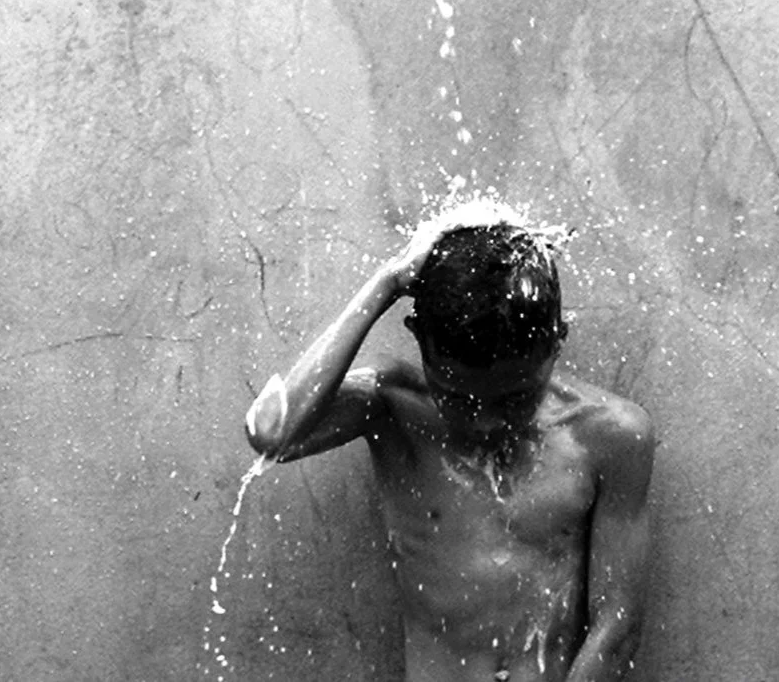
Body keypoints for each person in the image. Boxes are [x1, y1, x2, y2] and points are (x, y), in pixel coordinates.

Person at [244, 206, 655, 682]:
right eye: (457, 398)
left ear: (556, 341)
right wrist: (387, 282)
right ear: (417, 339)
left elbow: (616, 627)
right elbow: (273, 434)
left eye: (515, 399)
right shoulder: (393, 407)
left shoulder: (609, 435)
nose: (485, 424)